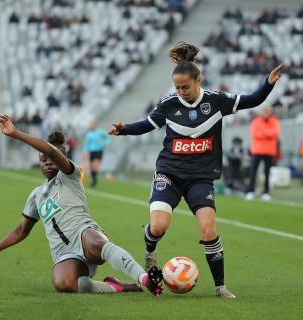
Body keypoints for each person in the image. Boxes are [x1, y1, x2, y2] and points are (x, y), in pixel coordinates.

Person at [109, 42, 283, 299]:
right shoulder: (169, 104)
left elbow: (253, 100)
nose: (180, 92)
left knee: (208, 230)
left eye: (185, 87)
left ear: (198, 80)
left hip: (200, 178)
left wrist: (268, 83)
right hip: (169, 173)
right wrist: (124, 129)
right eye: (177, 87)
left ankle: (220, 286)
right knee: (158, 227)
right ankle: (150, 253)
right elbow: (147, 124)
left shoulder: (217, 101)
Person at [0, 115, 163, 296]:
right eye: (43, 160)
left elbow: (50, 151)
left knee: (97, 242)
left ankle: (144, 278)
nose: (48, 162)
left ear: (62, 158)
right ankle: (117, 287)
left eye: (51, 158)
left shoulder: (70, 175)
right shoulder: (35, 195)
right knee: (64, 284)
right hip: (64, 253)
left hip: (84, 234)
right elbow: (21, 230)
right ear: (39, 164)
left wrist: (16, 133)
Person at [244, 106, 281, 201]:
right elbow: (254, 134)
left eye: (268, 111)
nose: (266, 112)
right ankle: (250, 191)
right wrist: (267, 134)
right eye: (264, 111)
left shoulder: (275, 122)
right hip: (257, 151)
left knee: (267, 173)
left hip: (269, 151)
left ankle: (266, 192)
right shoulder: (256, 122)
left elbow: (275, 133)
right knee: (253, 172)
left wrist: (263, 133)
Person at [82, 119, 110, 187]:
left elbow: (107, 137)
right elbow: (87, 144)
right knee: (91, 167)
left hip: (99, 151)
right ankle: (94, 179)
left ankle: (94, 181)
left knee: (95, 166)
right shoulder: (89, 134)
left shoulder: (100, 132)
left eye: (93, 124)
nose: (92, 125)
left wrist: (104, 143)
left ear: (95, 124)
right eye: (91, 124)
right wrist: (85, 152)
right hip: (91, 152)